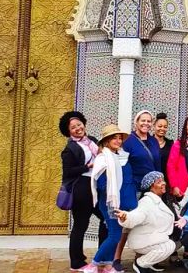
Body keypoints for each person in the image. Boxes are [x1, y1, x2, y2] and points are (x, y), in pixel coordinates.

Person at [82, 125, 138, 273]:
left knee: (115, 233)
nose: (118, 141)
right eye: (114, 138)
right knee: (115, 235)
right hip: (110, 203)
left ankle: (107, 265)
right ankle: (93, 264)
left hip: (118, 202)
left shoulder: (117, 157)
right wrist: (113, 201)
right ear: (106, 141)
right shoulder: (103, 159)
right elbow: (101, 183)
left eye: (120, 138)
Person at [59, 111, 107, 272]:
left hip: (96, 185)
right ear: (69, 131)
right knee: (80, 224)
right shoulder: (70, 149)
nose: (78, 128)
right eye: (73, 127)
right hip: (82, 188)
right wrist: (87, 166)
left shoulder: (92, 141)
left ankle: (102, 255)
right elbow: (68, 172)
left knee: (106, 218)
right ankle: (76, 261)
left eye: (79, 124)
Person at [115, 110, 161, 271]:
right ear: (136, 122)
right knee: (128, 223)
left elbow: (157, 165)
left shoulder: (153, 141)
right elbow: (122, 165)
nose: (146, 124)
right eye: (143, 121)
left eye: (149, 121)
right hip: (133, 187)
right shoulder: (129, 141)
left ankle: (142, 259)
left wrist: (160, 183)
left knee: (147, 223)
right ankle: (116, 258)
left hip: (151, 189)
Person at [114, 171, 175, 273]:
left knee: (173, 243)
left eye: (163, 180)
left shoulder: (158, 201)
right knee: (168, 246)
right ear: (151, 186)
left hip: (151, 237)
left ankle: (147, 264)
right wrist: (126, 217)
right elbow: (137, 215)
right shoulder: (146, 202)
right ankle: (141, 264)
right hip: (142, 240)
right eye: (159, 182)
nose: (163, 183)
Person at [153, 113, 173, 181]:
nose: (162, 129)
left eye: (165, 127)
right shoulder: (147, 143)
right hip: (152, 182)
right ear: (154, 126)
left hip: (166, 182)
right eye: (160, 126)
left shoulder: (171, 144)